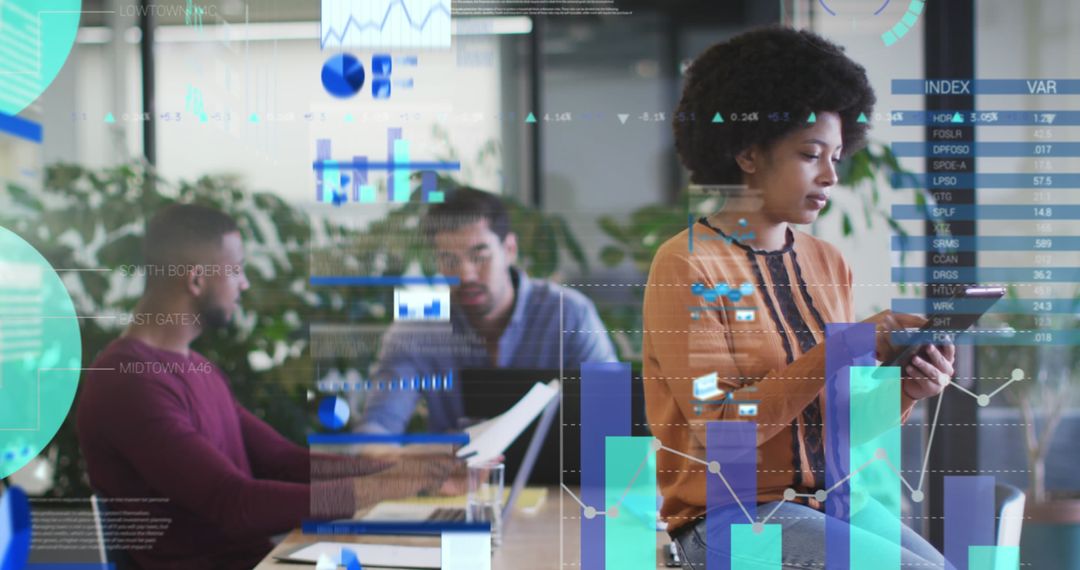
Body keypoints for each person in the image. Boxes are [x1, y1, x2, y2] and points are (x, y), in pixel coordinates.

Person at [642, 27, 957, 569]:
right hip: (731, 518)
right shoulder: (687, 265)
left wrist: (905, 390)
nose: (831, 176)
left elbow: (837, 425)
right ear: (746, 152)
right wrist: (847, 345)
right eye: (811, 154)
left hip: (829, 503)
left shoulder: (827, 263)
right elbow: (723, 433)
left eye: (837, 155)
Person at [77, 204, 459, 570]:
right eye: (237, 269)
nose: (244, 283)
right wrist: (390, 486)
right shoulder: (126, 381)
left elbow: (283, 462)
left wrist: (399, 470)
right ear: (196, 279)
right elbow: (234, 502)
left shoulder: (198, 368)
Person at [357, 187, 617, 434]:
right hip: (459, 479)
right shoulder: (417, 328)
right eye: (449, 260)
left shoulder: (569, 313)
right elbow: (379, 425)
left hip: (562, 480)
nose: (465, 274)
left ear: (509, 250)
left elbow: (614, 420)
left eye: (479, 256)